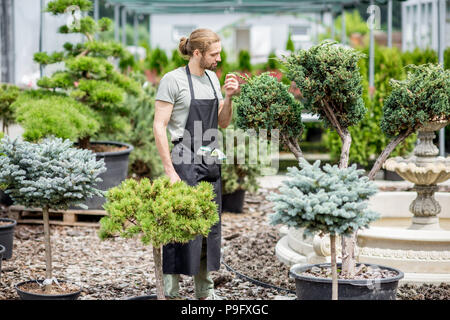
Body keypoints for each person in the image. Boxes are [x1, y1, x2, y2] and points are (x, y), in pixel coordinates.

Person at [153, 28, 240, 300]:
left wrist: (229, 97)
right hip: (183, 157)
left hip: (210, 155)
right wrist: (169, 171)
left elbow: (222, 123)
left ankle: (205, 290)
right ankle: (172, 291)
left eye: (220, 53)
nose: (219, 58)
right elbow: (159, 126)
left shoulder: (214, 79)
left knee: (208, 226)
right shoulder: (173, 80)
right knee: (179, 225)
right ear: (198, 53)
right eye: (214, 54)